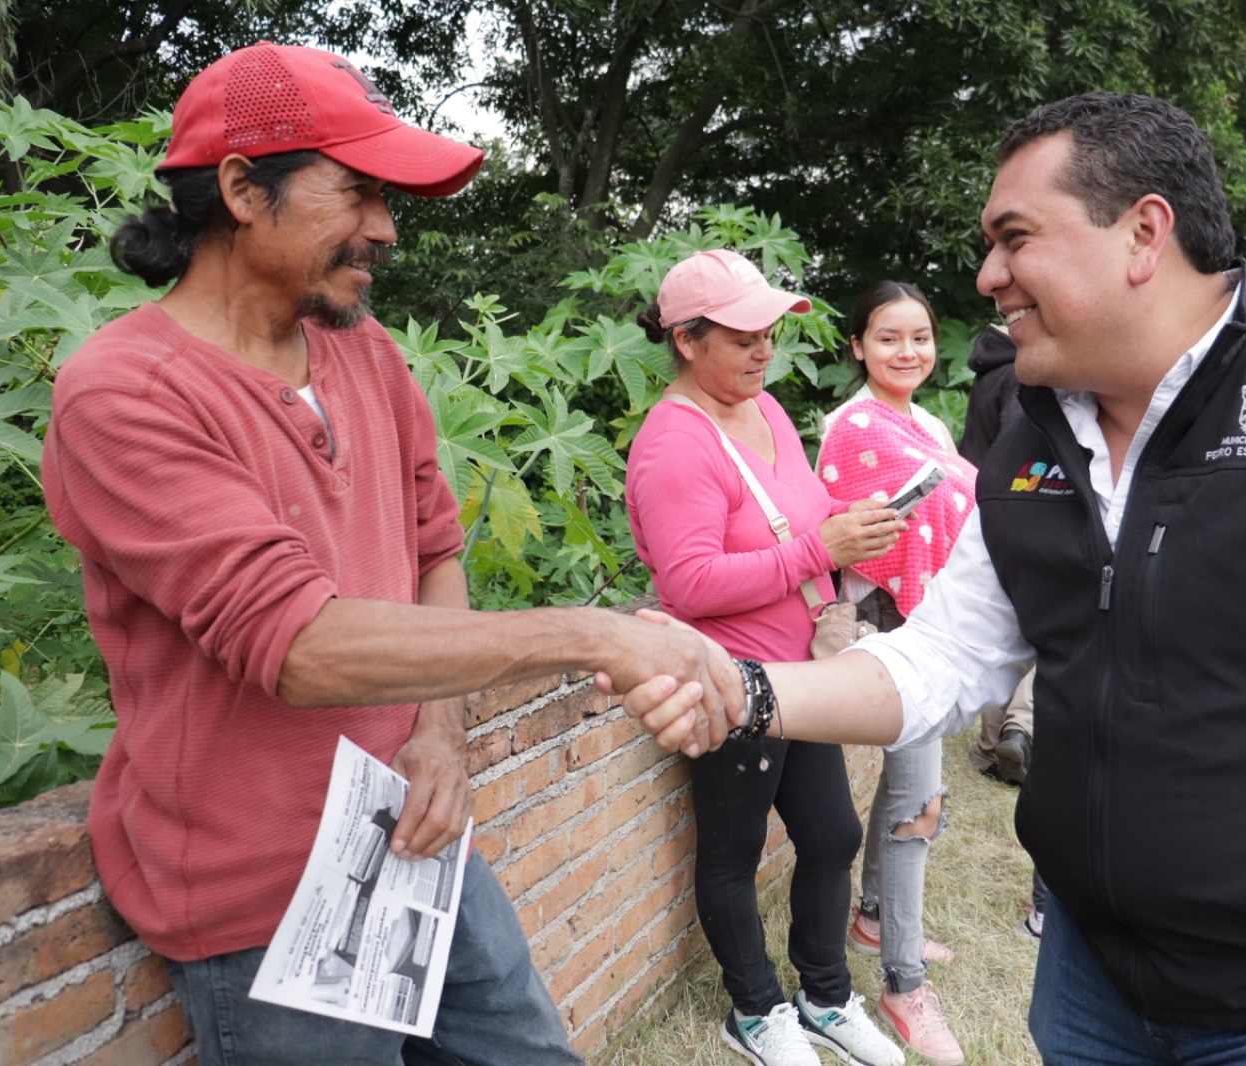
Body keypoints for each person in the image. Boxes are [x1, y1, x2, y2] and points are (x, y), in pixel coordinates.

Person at [613, 92, 1246, 1066]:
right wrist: (743, 689)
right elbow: (944, 657)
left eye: (1015, 238)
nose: (987, 275)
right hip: (1093, 984)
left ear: (1143, 234)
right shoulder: (1034, 440)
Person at [41, 42, 739, 1066]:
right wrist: (599, 635)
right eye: (357, 192)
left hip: (412, 832)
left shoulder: (360, 347)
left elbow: (434, 549)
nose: (386, 227)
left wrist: (440, 736)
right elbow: (299, 647)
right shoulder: (125, 394)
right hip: (266, 899)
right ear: (242, 189)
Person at [624, 250, 908, 1066]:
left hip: (799, 679)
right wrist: (821, 548)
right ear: (686, 340)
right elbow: (689, 581)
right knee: (734, 852)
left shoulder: (765, 407)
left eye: (769, 332)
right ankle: (754, 1010)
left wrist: (851, 519)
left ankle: (824, 995)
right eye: (743, 336)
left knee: (832, 836)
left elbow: (801, 513)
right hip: (728, 681)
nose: (763, 351)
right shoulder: (675, 443)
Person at [817, 281, 975, 1066]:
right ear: (858, 346)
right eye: (888, 337)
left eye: (920, 337)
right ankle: (904, 984)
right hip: (890, 623)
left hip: (937, 619)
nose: (907, 351)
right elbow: (849, 538)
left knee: (907, 789)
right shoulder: (848, 427)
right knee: (920, 802)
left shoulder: (930, 425)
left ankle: (875, 916)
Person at [956, 325, 1034, 787]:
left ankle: (992, 748)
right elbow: (1018, 447)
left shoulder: (990, 366)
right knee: (1044, 630)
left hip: (979, 506)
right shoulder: (1021, 372)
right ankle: (1015, 730)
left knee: (1007, 630)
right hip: (1015, 507)